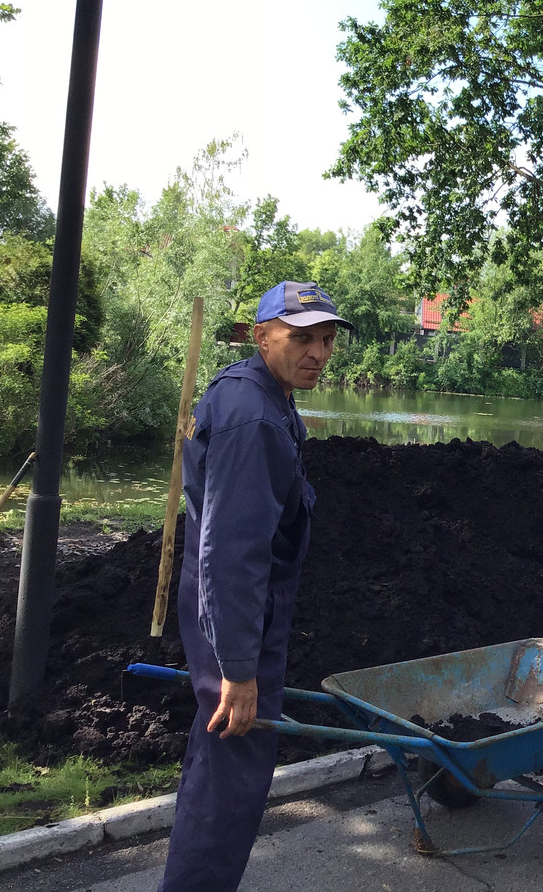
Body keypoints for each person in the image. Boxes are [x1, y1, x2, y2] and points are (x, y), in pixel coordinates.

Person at [159, 281, 353, 891]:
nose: (318, 352)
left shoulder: (254, 390)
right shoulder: (254, 419)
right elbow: (233, 553)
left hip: (231, 600)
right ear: (262, 334)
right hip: (238, 608)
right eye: (301, 338)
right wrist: (238, 669)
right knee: (235, 776)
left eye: (325, 339)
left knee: (218, 758)